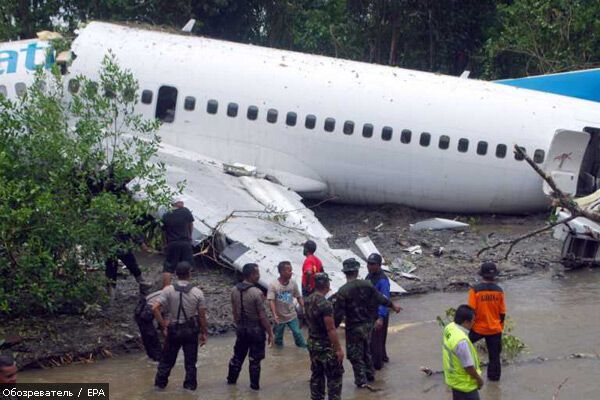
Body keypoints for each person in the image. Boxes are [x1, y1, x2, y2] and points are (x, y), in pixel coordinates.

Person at [334, 258, 402, 389]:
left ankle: (361, 382)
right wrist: (393, 306)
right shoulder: (367, 284)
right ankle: (371, 375)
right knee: (366, 351)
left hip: (353, 328)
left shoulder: (343, 291)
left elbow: (338, 315)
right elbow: (381, 298)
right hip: (368, 326)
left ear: (345, 272)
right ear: (357, 271)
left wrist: (331, 330)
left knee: (355, 356)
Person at [154, 261, 208, 391]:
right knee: (190, 363)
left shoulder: (168, 290)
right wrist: (203, 333)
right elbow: (202, 316)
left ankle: (159, 388)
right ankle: (189, 389)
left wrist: (163, 325)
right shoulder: (197, 293)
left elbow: (155, 308)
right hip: (190, 330)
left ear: (176, 274)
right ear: (189, 273)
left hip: (174, 329)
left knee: (167, 361)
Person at [227, 263, 274, 390]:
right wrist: (270, 332)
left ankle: (231, 383)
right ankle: (254, 388)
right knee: (254, 361)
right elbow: (262, 316)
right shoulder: (256, 293)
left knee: (237, 358)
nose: (259, 276)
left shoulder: (234, 290)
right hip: (255, 330)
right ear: (252, 275)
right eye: (257, 273)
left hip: (241, 329)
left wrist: (239, 325)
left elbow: (234, 312)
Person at [305, 273, 344, 400]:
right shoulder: (325, 304)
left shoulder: (308, 300)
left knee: (317, 375)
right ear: (327, 285)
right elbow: (331, 328)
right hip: (325, 346)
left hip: (312, 343)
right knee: (334, 377)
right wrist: (338, 349)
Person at [468, 261, 506, 381]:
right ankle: (494, 382)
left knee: (461, 346)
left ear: (481, 275)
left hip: (478, 329)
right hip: (495, 329)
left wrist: (469, 327)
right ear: (494, 275)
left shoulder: (475, 291)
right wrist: (500, 326)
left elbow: (471, 311)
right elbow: (502, 313)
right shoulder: (499, 291)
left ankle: (462, 370)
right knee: (494, 357)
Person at [442, 304, 484, 400]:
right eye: (473, 320)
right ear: (465, 322)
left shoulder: (449, 327)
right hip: (466, 385)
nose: (474, 322)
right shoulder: (461, 341)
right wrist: (479, 380)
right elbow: (468, 367)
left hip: (454, 380)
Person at [267, 261, 307, 348]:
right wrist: (274, 315)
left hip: (291, 314)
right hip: (279, 317)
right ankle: (278, 355)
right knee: (278, 339)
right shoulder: (273, 285)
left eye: (291, 270)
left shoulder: (293, 283)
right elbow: (271, 301)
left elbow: (298, 297)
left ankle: (303, 350)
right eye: (289, 271)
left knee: (298, 334)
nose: (291, 273)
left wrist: (304, 308)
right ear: (281, 272)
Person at [161, 196, 195, 288]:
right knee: (187, 266)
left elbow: (164, 232)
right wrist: (190, 237)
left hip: (172, 243)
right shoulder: (185, 211)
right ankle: (186, 288)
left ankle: (165, 290)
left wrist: (165, 244)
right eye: (181, 202)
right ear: (177, 203)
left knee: (168, 268)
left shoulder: (166, 215)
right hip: (185, 242)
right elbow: (190, 225)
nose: (183, 203)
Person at [365, 253, 391, 369]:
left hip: (380, 315)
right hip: (370, 313)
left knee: (376, 342)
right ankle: (382, 359)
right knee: (375, 341)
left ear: (379, 265)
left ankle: (378, 366)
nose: (369, 266)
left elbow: (385, 300)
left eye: (372, 264)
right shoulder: (369, 277)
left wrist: (380, 317)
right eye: (368, 263)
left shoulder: (383, 280)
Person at [134, 287, 165, 362]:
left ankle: (152, 357)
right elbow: (157, 310)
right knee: (151, 336)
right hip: (145, 311)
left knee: (147, 337)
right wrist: (164, 327)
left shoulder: (167, 291)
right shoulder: (172, 296)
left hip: (141, 308)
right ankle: (158, 359)